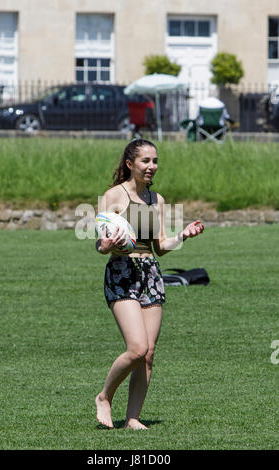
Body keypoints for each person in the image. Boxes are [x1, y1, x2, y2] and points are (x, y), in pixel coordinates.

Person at [95, 139, 204, 430]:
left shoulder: (158, 200)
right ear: (130, 164)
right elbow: (101, 244)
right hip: (122, 273)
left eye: (155, 161)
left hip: (150, 274)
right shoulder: (113, 196)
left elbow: (161, 246)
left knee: (149, 352)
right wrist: (106, 244)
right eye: (145, 161)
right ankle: (104, 397)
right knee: (137, 348)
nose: (152, 166)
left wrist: (183, 235)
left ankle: (132, 417)